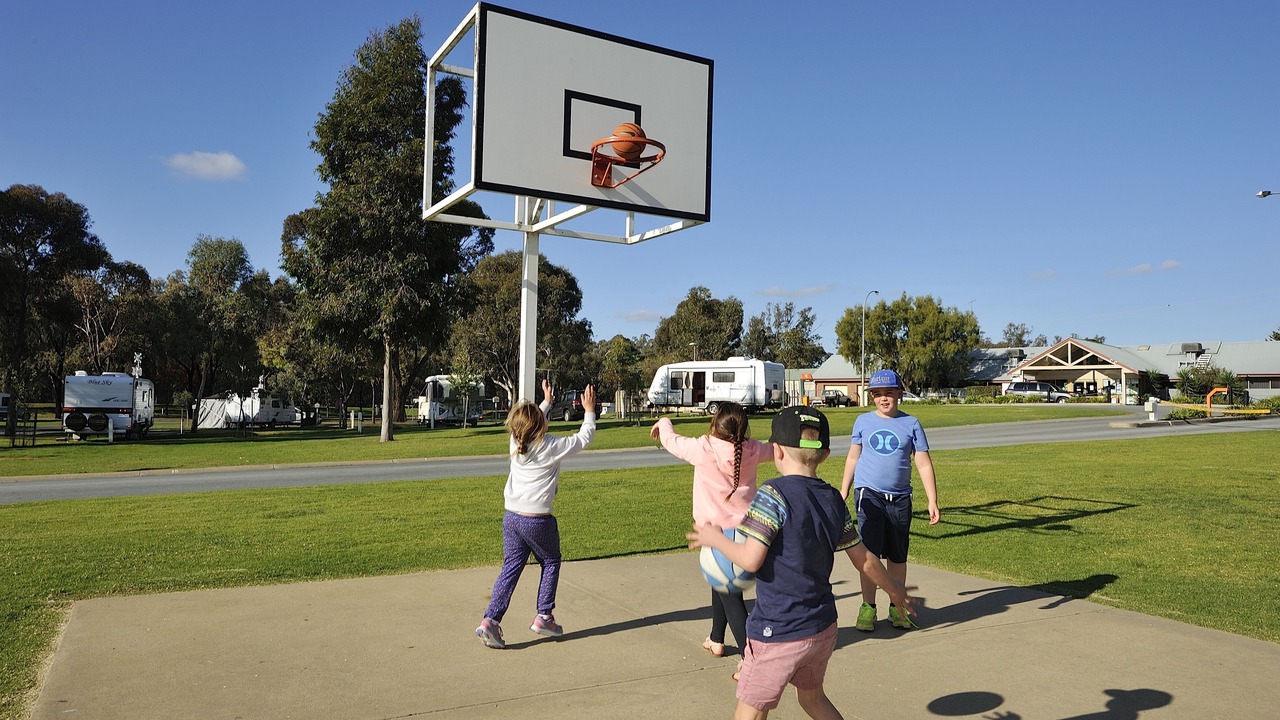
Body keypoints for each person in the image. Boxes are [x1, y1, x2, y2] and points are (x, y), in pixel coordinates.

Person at [688, 405, 918, 720]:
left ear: (777, 451)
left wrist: (716, 540)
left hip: (778, 631)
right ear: (824, 454)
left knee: (750, 712)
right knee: (812, 700)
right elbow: (864, 558)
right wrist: (894, 590)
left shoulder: (772, 495)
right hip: (822, 629)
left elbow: (751, 560)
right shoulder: (833, 499)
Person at [475, 379, 597, 649]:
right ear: (541, 425)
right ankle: (544, 616)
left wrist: (546, 402)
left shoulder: (514, 442)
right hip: (538, 519)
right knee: (551, 561)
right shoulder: (550, 445)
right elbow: (584, 438)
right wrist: (589, 410)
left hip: (512, 518)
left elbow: (529, 423)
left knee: (511, 567)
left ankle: (490, 621)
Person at [651, 402, 773, 665]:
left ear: (715, 424)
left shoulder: (704, 448)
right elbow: (776, 450)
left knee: (731, 597)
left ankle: (749, 658)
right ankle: (716, 638)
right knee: (721, 584)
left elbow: (672, 441)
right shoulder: (752, 449)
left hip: (717, 536)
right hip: (747, 535)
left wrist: (663, 422)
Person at [839, 368, 939, 632]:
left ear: (899, 394)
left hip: (900, 498)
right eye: (878, 394)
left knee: (897, 556)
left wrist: (932, 500)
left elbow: (923, 463)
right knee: (868, 554)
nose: (884, 399)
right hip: (868, 494)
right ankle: (868, 607)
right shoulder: (862, 422)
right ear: (872, 397)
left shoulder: (912, 424)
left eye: (889, 393)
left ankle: (897, 607)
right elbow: (852, 457)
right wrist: (844, 488)